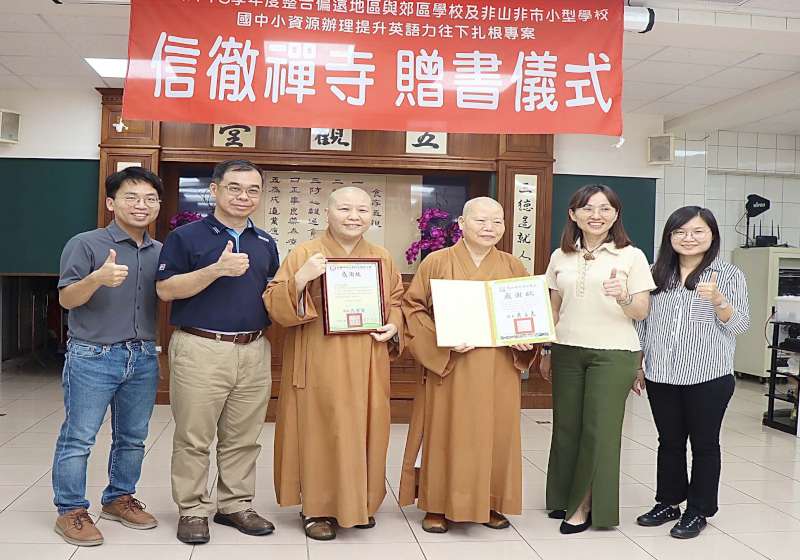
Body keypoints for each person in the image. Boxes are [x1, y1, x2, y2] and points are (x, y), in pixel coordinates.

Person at [264, 186, 404, 540]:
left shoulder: (381, 256)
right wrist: (302, 278)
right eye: (345, 209)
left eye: (362, 210)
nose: (354, 216)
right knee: (320, 430)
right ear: (327, 213)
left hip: (367, 360)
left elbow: (397, 301)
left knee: (366, 429)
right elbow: (275, 301)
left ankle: (359, 504)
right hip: (319, 357)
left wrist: (394, 325)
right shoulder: (305, 252)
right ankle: (317, 508)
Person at [156, 160, 279, 544]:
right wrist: (216, 270)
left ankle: (235, 505)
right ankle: (192, 509)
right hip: (201, 347)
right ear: (215, 190)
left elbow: (272, 293)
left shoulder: (265, 242)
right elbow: (165, 290)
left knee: (244, 437)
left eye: (253, 190)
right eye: (234, 188)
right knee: (194, 437)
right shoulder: (186, 237)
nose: (244, 196)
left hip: (254, 349)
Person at [398, 197, 537, 533]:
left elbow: (525, 312)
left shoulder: (512, 265)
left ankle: (488, 502)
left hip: (497, 366)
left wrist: (526, 338)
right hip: (450, 365)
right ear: (461, 223)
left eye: (497, 221)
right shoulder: (437, 261)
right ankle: (436, 504)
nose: (489, 228)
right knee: (445, 432)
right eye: (480, 220)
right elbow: (412, 308)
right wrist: (440, 340)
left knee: (494, 434)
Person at [53, 167, 164, 546]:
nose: (141, 205)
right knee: (79, 437)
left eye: (150, 198)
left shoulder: (160, 252)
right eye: (131, 197)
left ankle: (119, 498)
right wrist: (96, 279)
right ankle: (70, 510)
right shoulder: (86, 244)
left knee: (133, 437)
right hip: (92, 355)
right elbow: (67, 299)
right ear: (111, 203)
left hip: (143, 355)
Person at [542, 184, 655, 533]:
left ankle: (584, 506)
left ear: (616, 215)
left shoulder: (631, 256)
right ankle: (562, 496)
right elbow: (553, 307)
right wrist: (546, 349)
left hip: (614, 353)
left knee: (599, 430)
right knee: (566, 427)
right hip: (566, 349)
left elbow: (642, 310)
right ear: (573, 214)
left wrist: (623, 297)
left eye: (605, 208)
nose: (596, 215)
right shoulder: (560, 256)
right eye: (588, 208)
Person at [635, 207, 749, 539]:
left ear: (712, 235)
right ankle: (668, 502)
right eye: (680, 232)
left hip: (709, 376)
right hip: (661, 373)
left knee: (704, 444)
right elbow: (641, 323)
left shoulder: (728, 274)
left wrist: (719, 301)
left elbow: (740, 325)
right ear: (669, 236)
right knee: (669, 442)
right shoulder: (655, 273)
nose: (688, 238)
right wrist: (637, 365)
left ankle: (699, 510)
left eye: (698, 231)